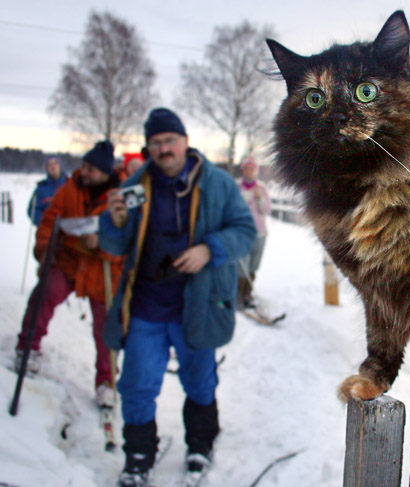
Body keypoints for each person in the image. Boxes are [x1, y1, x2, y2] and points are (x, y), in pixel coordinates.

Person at [99, 108, 255, 487]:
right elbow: (113, 245)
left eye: (170, 141)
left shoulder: (218, 184)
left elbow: (245, 231)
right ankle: (138, 455)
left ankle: (200, 444)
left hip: (197, 305)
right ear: (148, 147)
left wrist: (210, 249)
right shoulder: (136, 187)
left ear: (185, 141)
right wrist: (114, 220)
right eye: (156, 143)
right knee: (136, 383)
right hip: (146, 307)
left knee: (200, 380)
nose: (164, 149)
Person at [15, 140, 124, 409]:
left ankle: (106, 381)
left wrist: (102, 245)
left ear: (105, 173)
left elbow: (128, 240)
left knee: (105, 325)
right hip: (68, 260)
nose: (85, 172)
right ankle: (27, 348)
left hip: (103, 269)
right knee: (45, 294)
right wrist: (44, 250)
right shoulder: (69, 189)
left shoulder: (119, 196)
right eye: (84, 166)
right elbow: (49, 220)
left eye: (92, 169)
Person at [236, 156, 271, 308]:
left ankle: (247, 295)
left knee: (253, 266)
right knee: (242, 266)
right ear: (243, 170)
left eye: (252, 168)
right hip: (242, 234)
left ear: (255, 170)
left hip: (260, 233)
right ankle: (237, 296)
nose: (249, 171)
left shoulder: (261, 188)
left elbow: (267, 210)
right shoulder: (236, 187)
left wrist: (260, 198)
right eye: (246, 168)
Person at [27, 155, 67, 226]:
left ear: (60, 166)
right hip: (48, 231)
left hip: (69, 231)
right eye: (49, 164)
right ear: (46, 168)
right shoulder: (41, 189)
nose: (52, 166)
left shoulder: (70, 185)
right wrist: (45, 222)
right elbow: (33, 211)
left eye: (55, 163)